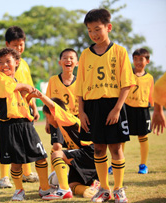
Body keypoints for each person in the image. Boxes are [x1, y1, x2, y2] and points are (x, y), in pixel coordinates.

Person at [75, 8, 136, 203]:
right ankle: (104, 189)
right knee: (98, 149)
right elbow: (80, 87)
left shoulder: (119, 51)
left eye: (98, 29)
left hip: (113, 104)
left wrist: (117, 108)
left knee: (116, 149)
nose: (94, 34)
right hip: (92, 107)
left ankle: (119, 189)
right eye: (90, 30)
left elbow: (127, 83)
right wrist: (81, 112)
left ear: (108, 27)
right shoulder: (85, 55)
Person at [0, 47, 55, 201]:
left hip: (25, 125)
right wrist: (26, 87)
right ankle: (19, 190)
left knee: (41, 157)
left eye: (8, 61)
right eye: (0, 62)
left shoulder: (16, 81)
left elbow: (19, 100)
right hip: (9, 126)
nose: (4, 65)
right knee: (16, 163)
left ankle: (45, 188)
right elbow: (11, 89)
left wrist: (30, 101)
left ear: (17, 62)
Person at [28, 90, 100, 200]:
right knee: (73, 185)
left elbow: (52, 105)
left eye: (47, 117)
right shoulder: (62, 127)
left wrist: (40, 96)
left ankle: (63, 190)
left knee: (56, 154)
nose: (48, 121)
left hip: (89, 153)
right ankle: (91, 188)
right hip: (85, 157)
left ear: (53, 113)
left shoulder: (67, 119)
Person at [0, 26, 39, 188]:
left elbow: (30, 87)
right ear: (7, 44)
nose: (19, 48)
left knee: (24, 144)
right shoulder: (2, 64)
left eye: (21, 44)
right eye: (15, 45)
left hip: (24, 110)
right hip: (9, 112)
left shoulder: (24, 64)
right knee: (8, 146)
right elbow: (5, 86)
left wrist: (33, 106)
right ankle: (4, 177)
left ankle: (26, 174)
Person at [108, 48, 154, 175]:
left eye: (141, 59)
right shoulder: (127, 74)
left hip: (143, 110)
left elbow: (151, 95)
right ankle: (116, 164)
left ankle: (143, 165)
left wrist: (154, 107)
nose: (138, 62)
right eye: (135, 59)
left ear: (147, 61)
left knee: (143, 138)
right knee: (121, 138)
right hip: (126, 109)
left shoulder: (149, 78)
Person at [45, 48, 79, 170]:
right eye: (65, 58)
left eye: (71, 58)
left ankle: (74, 175)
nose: (68, 60)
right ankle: (55, 176)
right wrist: (48, 121)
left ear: (77, 62)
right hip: (57, 119)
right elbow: (48, 102)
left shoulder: (81, 81)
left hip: (75, 119)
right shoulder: (53, 80)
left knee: (74, 149)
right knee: (57, 146)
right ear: (60, 62)